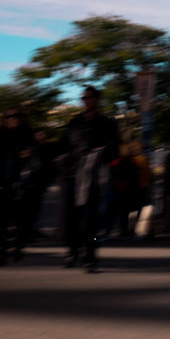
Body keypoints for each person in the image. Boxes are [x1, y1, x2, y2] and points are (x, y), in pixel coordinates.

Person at [60, 87, 120, 271]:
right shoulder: (74, 122)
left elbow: (114, 151)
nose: (85, 100)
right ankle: (72, 251)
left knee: (90, 220)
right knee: (71, 218)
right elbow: (62, 146)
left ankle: (90, 256)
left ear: (97, 99)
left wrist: (101, 153)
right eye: (83, 98)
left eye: (89, 97)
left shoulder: (107, 124)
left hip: (93, 178)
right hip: (72, 175)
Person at [0, 107, 35, 265]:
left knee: (21, 220)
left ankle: (19, 247)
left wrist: (29, 154)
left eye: (17, 116)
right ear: (5, 119)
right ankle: (2, 253)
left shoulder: (27, 135)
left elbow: (37, 157)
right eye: (10, 116)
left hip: (22, 183)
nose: (14, 118)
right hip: (2, 183)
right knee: (1, 220)